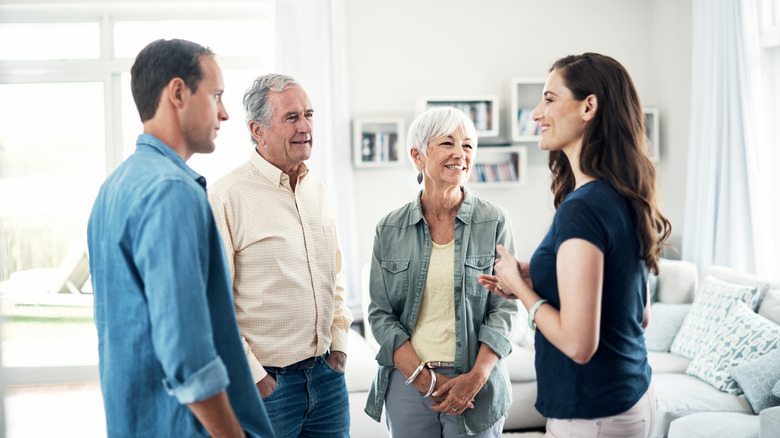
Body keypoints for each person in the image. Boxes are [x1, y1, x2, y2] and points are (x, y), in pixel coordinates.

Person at [478, 53, 673, 438]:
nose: (536, 113)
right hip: (631, 397)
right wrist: (533, 276)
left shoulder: (582, 209)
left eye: (549, 99)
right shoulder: (623, 196)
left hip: (593, 415)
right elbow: (638, 312)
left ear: (589, 106)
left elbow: (579, 345)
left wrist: (520, 289)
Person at [87, 39, 274, 437]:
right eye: (216, 96)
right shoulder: (172, 191)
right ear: (177, 92)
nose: (224, 114)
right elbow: (189, 358)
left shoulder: (115, 187)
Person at [208, 73, 353, 438]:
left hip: (327, 378)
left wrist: (340, 348)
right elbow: (213, 303)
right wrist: (255, 378)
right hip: (268, 386)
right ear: (258, 129)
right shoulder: (225, 196)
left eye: (309, 114)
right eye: (291, 117)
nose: (305, 126)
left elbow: (334, 274)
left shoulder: (317, 189)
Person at [364, 107, 519, 437]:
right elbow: (380, 315)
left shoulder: (494, 221)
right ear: (417, 155)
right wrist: (424, 379)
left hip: (477, 381)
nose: (460, 154)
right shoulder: (389, 228)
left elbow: (504, 308)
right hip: (408, 382)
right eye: (447, 143)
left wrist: (476, 378)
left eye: (468, 146)